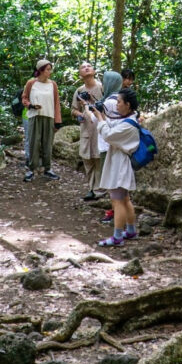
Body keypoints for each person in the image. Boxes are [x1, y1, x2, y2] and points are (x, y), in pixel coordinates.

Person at [87, 88, 140, 247]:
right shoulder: (129, 120)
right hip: (121, 163)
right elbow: (112, 127)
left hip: (120, 165)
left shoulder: (129, 125)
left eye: (119, 102)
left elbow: (109, 135)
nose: (116, 105)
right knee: (124, 199)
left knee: (117, 201)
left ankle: (117, 237)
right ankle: (130, 231)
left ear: (127, 104)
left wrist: (100, 119)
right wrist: (100, 115)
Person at [22, 59, 62, 182]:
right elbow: (24, 98)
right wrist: (31, 106)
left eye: (50, 69)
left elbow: (56, 102)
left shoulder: (53, 84)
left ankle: (47, 168)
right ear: (41, 70)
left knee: (47, 143)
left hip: (49, 116)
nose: (50, 72)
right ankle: (31, 169)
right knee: (34, 142)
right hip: (35, 116)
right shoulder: (31, 83)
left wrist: (57, 120)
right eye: (47, 69)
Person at [71, 62, 104, 201]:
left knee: (99, 159)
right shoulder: (79, 91)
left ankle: (100, 190)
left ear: (94, 71)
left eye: (89, 66)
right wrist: (79, 114)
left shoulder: (102, 87)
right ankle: (91, 189)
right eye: (83, 67)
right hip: (86, 129)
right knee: (88, 159)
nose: (86, 68)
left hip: (100, 129)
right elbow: (73, 109)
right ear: (80, 74)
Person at [97, 70, 124, 224]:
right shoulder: (118, 100)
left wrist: (91, 111)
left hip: (108, 145)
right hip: (113, 144)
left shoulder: (109, 102)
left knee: (111, 181)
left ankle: (115, 212)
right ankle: (116, 211)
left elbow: (102, 122)